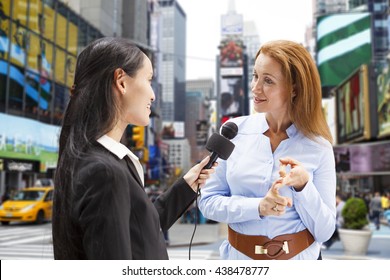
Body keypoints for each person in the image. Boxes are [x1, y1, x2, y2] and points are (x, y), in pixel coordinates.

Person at [52, 37, 216, 260]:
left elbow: (142, 229)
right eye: (148, 80)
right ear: (121, 81)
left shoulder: (102, 160)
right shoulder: (104, 171)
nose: (153, 94)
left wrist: (186, 186)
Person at [199, 40, 336, 260]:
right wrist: (259, 207)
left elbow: (325, 231)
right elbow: (207, 202)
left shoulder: (319, 147)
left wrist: (303, 188)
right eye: (255, 76)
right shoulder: (233, 131)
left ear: (294, 89)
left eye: (268, 81)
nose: (255, 87)